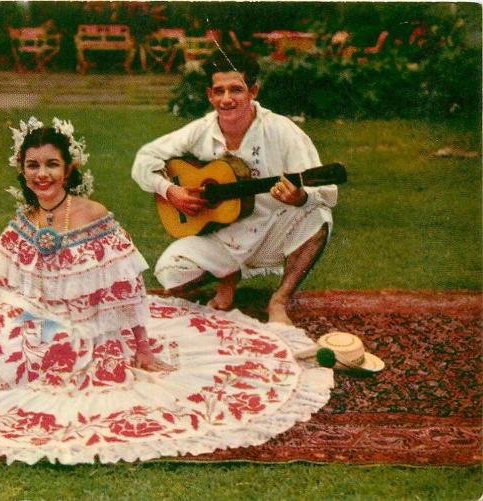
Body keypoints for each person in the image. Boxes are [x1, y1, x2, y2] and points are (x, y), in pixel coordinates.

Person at [0, 117, 332, 465]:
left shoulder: (93, 215)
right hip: (36, 314)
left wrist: (141, 349)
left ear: (69, 169)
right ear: (22, 173)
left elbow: (126, 292)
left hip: (89, 329)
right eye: (33, 166)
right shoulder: (26, 217)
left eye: (51, 165)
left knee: (27, 345)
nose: (42, 174)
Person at [131, 49, 337, 325]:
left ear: (253, 91)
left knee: (318, 215)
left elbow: (323, 193)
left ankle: (279, 301)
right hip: (222, 238)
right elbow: (144, 159)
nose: (226, 99)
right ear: (209, 95)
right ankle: (228, 275)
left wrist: (299, 197)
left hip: (270, 231)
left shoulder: (282, 130)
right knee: (170, 273)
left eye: (236, 90)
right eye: (219, 91)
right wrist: (171, 192)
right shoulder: (200, 131)